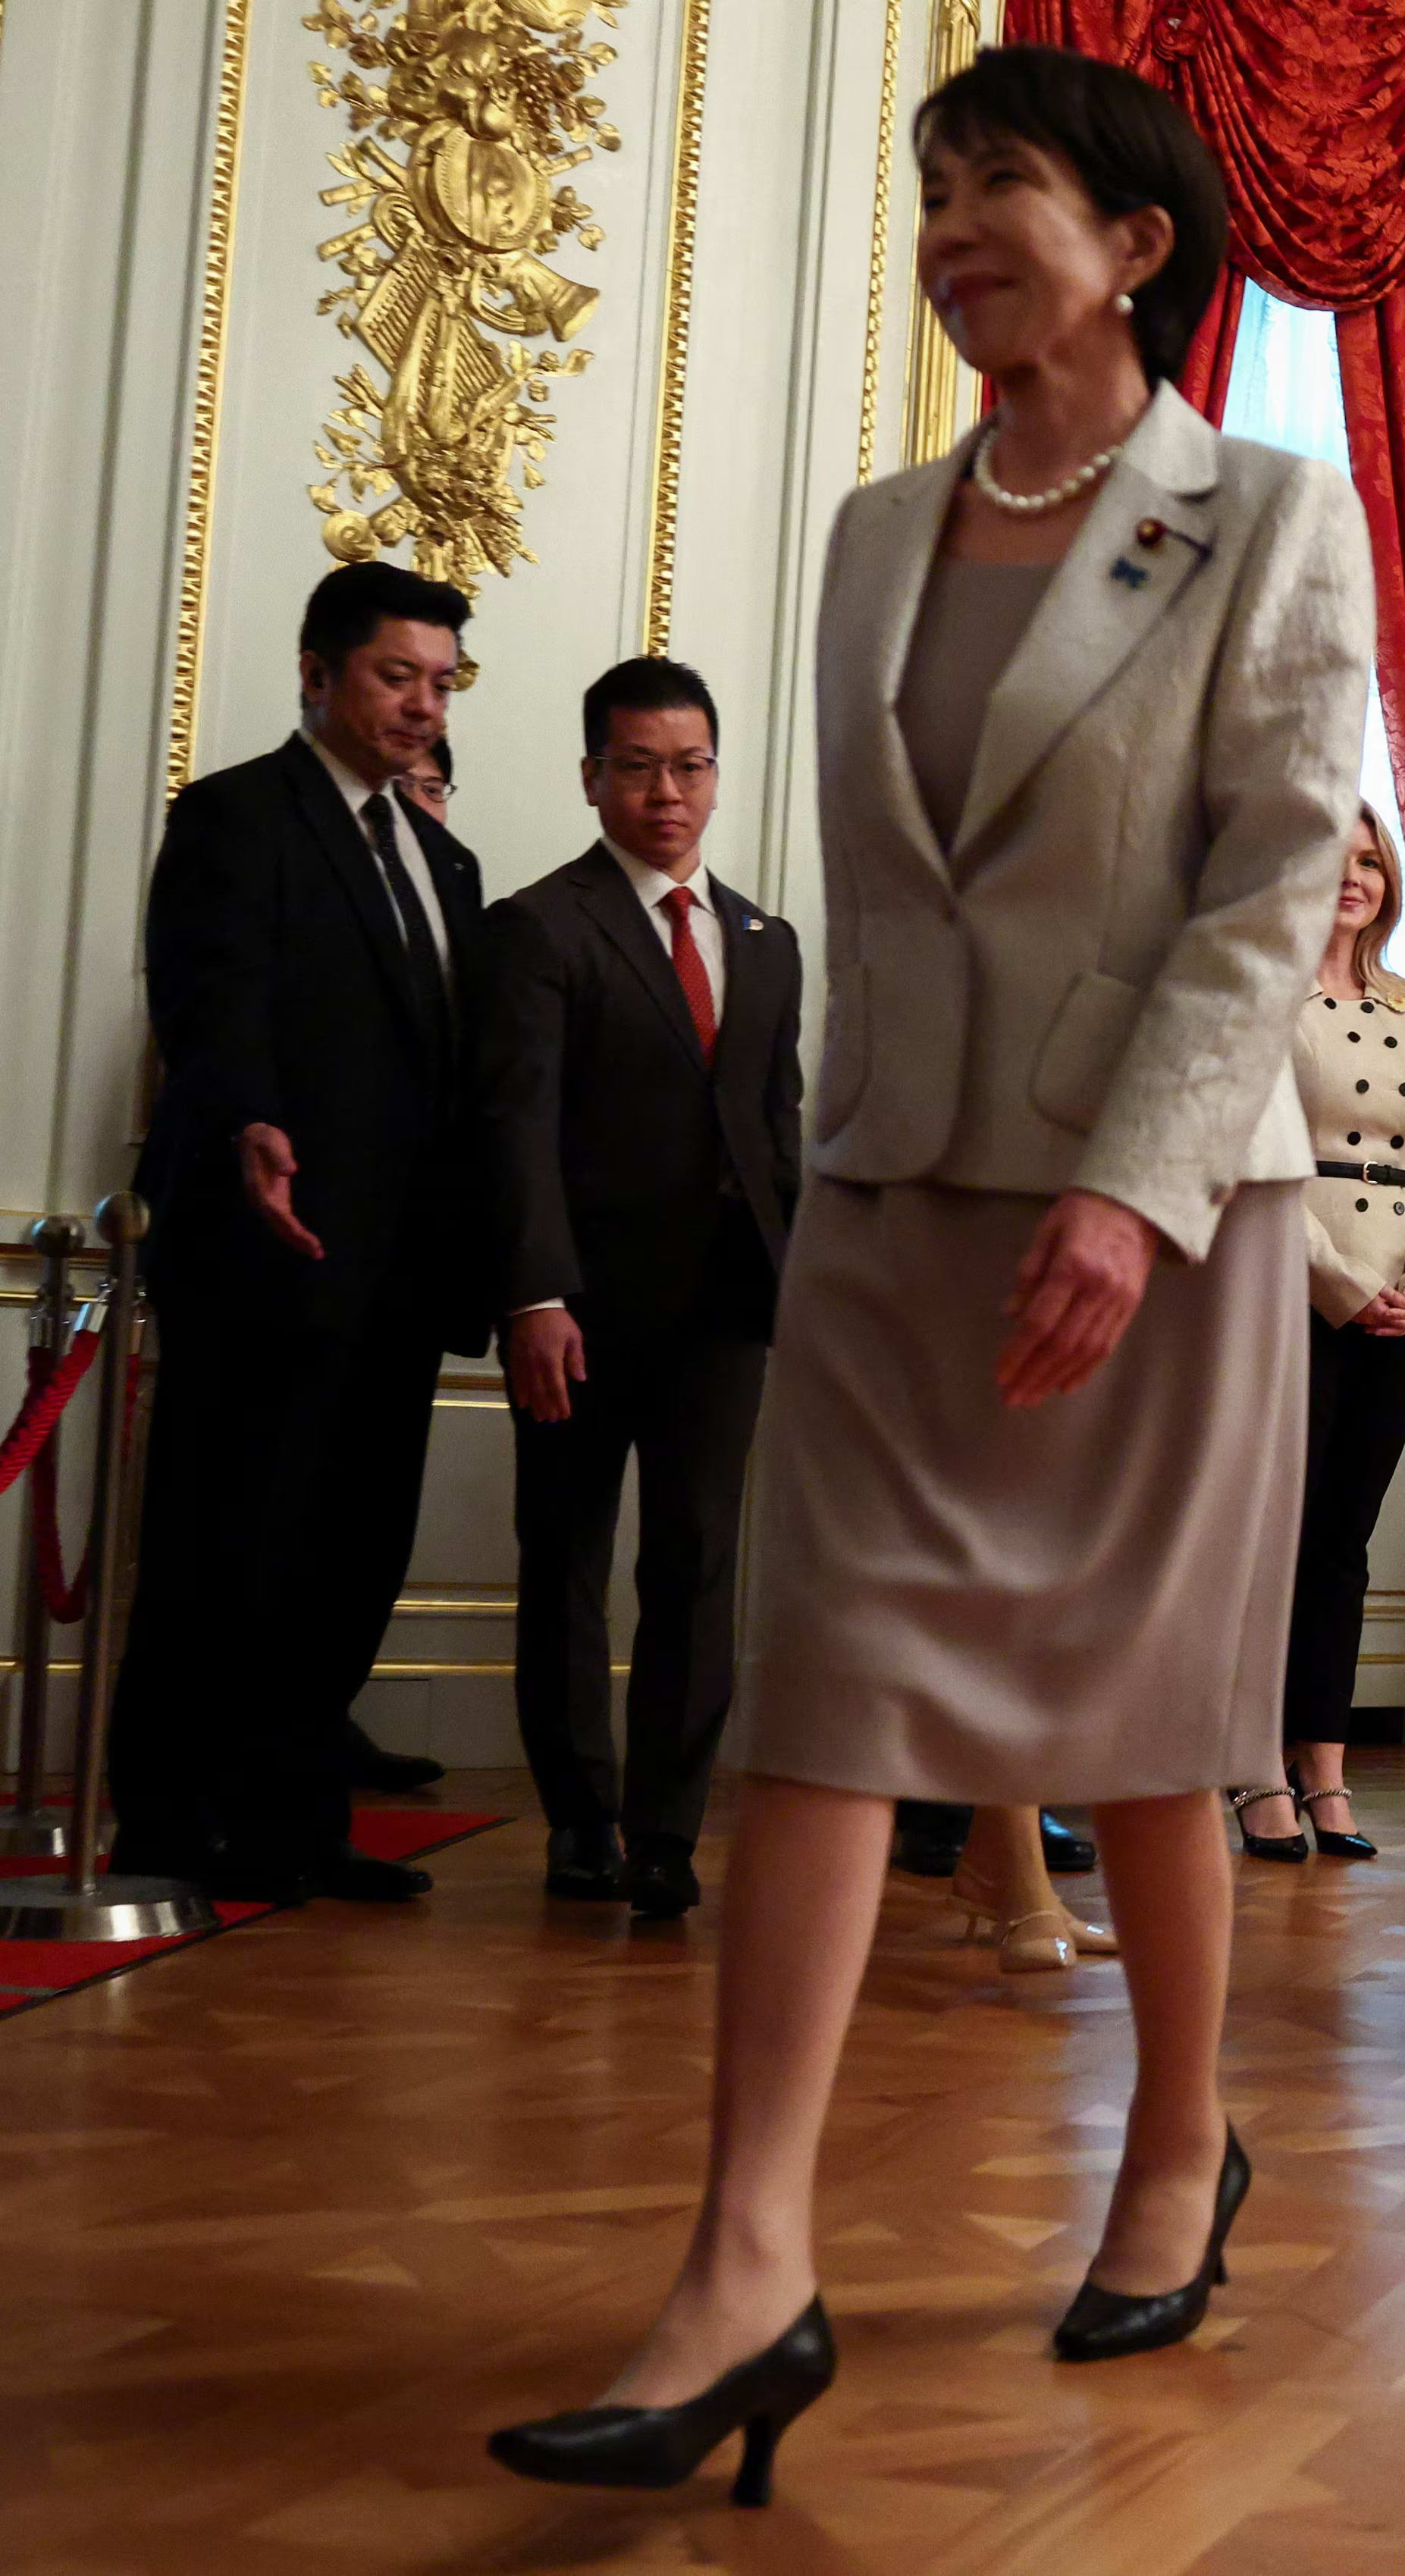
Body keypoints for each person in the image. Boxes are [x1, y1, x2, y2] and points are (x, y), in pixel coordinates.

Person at [490, 46, 1372, 2500]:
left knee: (1146, 1706)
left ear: (1138, 242)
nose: (956, 223)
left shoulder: (1267, 515)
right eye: (936, 186)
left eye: (1005, 185)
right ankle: (744, 2260)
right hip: (889, 1196)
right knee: (823, 1688)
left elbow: (1274, 878)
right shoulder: (881, 530)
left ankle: (1178, 2137)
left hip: (1155, 1212)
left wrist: (1130, 1185)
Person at [109, 560, 493, 1902]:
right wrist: (251, 1120)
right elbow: (210, 998)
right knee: (224, 1543)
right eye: (398, 676)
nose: (423, 704)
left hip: (398, 1272)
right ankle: (166, 1826)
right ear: (318, 672)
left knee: (350, 1558)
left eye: (441, 681)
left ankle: (292, 1825)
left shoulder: (445, 858)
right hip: (262, 1255)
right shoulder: (236, 814)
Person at [478, 657, 803, 1921]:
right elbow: (516, 1126)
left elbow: (775, 1129)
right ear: (591, 777)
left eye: (689, 765)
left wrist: (802, 1285)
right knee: (565, 1556)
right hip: (580, 1309)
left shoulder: (766, 942)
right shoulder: (540, 926)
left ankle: (667, 1830)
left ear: (715, 775)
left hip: (724, 1313)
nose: (667, 792)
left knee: (697, 1562)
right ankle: (580, 1820)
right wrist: (534, 1296)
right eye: (638, 766)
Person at [1240, 805, 1405, 1863]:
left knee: (1342, 1543)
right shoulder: (1266, 995)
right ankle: (1252, 1767)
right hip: (1295, 1288)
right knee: (1274, 1536)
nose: (1356, 877)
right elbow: (1258, 1155)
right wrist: (1344, 1284)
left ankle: (1323, 1766)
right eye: (1336, 858)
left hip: (1399, 1305)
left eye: (1372, 860)